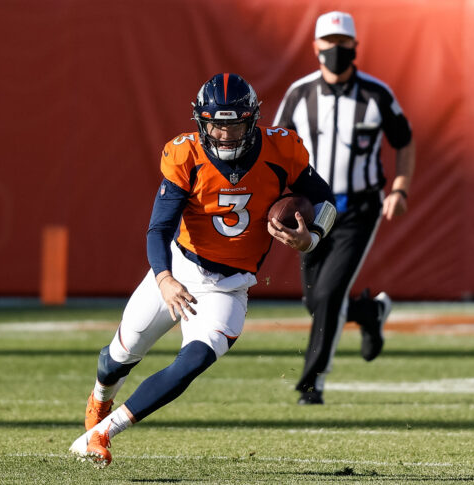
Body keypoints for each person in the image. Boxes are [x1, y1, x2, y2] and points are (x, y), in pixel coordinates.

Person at [69, 73, 337, 467]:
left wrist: (310, 238)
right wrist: (164, 279)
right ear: (201, 121)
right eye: (216, 124)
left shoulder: (282, 149)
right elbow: (158, 228)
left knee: (192, 363)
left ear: (253, 120)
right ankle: (98, 399)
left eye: (235, 124)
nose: (225, 135)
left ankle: (104, 432)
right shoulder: (186, 154)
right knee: (116, 360)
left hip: (228, 288)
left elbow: (326, 198)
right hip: (178, 271)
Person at [273, 11, 416, 405]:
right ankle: (369, 313)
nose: (336, 49)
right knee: (313, 299)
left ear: (354, 45)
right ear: (315, 46)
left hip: (358, 208)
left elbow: (404, 139)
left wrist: (400, 188)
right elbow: (276, 150)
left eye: (343, 42)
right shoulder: (299, 94)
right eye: (329, 42)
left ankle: (312, 382)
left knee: (330, 294)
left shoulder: (376, 94)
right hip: (314, 208)